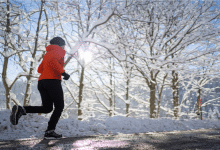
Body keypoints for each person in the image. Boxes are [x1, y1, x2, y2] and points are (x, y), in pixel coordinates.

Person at [10, 37, 70, 139]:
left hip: (42, 82)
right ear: (60, 44)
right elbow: (53, 62)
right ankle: (50, 131)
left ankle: (22, 109)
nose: (64, 47)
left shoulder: (47, 54)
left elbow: (39, 69)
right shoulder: (58, 51)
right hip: (52, 82)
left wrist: (53, 70)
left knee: (47, 108)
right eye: (64, 45)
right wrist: (63, 72)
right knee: (59, 106)